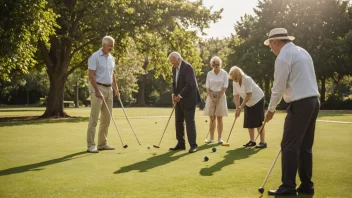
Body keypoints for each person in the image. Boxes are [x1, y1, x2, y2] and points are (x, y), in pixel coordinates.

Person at [264, 28, 320, 196]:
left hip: (300, 104)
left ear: (275, 42)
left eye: (270, 46)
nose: (271, 49)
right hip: (313, 102)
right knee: (305, 146)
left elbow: (278, 87)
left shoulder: (283, 57)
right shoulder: (303, 52)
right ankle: (306, 185)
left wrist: (270, 109)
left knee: (288, 145)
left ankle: (288, 186)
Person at [86, 36, 121, 153]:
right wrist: (96, 90)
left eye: (112, 46)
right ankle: (91, 145)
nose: (111, 48)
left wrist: (116, 89)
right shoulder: (95, 57)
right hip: (98, 87)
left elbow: (112, 74)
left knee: (106, 119)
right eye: (109, 46)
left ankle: (102, 143)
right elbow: (91, 75)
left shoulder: (111, 58)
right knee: (94, 118)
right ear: (103, 45)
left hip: (109, 89)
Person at [168, 51, 200, 153]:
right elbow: (174, 83)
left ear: (178, 59)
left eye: (173, 62)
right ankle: (181, 144)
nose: (172, 64)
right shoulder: (174, 68)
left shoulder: (187, 67)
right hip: (178, 99)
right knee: (178, 122)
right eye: (171, 62)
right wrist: (173, 94)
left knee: (189, 122)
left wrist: (180, 95)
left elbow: (189, 84)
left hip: (189, 99)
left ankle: (193, 145)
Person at [229, 66, 267, 149]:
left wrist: (241, 106)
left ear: (239, 74)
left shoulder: (247, 79)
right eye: (233, 78)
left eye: (236, 77)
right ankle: (252, 141)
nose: (235, 79)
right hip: (248, 102)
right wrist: (237, 108)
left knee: (258, 122)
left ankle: (263, 142)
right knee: (249, 121)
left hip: (257, 99)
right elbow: (236, 96)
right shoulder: (234, 82)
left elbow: (249, 94)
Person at [203, 56, 228, 144]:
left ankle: (220, 138)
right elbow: (207, 87)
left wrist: (218, 97)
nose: (216, 66)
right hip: (211, 95)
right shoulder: (209, 73)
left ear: (220, 64)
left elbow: (225, 86)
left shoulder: (224, 73)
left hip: (221, 95)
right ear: (212, 65)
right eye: (214, 65)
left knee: (219, 117)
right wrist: (212, 98)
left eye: (217, 64)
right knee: (212, 117)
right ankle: (211, 138)